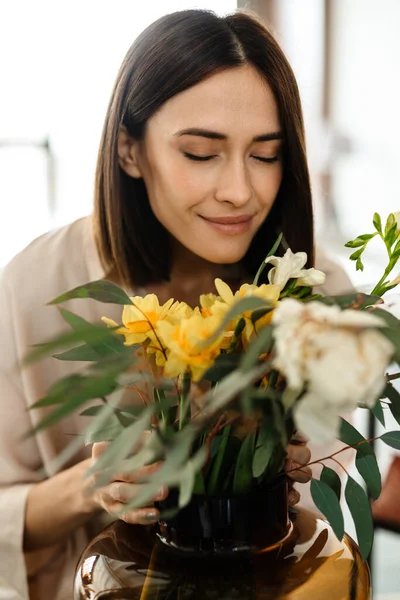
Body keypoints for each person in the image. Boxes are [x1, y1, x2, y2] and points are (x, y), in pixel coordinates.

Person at [0, 9, 353, 600]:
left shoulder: (317, 294)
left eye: (265, 155)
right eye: (200, 153)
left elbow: (328, 523)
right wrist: (92, 486)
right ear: (129, 151)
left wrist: (290, 475)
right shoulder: (36, 288)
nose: (241, 191)